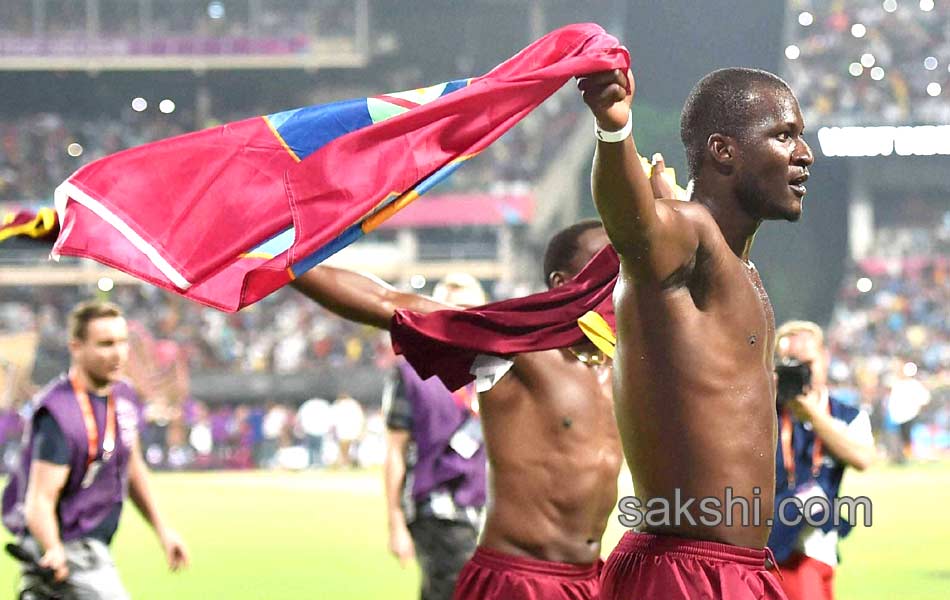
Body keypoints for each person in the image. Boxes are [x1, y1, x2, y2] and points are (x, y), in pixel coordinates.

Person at [291, 220, 629, 600]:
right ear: (562, 284)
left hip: (590, 581)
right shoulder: (517, 344)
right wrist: (276, 260)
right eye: (606, 264)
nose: (621, 272)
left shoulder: (626, 362)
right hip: (519, 581)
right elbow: (387, 304)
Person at [576, 64, 814, 598]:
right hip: (683, 573)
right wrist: (614, 129)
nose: (805, 155)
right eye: (784, 135)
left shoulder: (736, 265)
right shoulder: (686, 236)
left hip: (737, 568)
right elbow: (632, 221)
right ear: (723, 151)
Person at [2, 300, 189, 599]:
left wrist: (163, 530)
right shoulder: (59, 412)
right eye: (105, 344)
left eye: (122, 342)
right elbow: (40, 498)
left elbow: (132, 466)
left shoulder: (124, 397)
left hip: (82, 546)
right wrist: (53, 548)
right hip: (68, 547)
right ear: (76, 347)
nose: (118, 353)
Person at [382, 274, 488, 600]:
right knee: (457, 589)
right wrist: (395, 522)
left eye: (469, 311)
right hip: (435, 506)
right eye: (451, 311)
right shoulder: (410, 373)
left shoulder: (492, 371)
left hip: (485, 509)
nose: (461, 320)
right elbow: (395, 452)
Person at [767, 321, 875, 600]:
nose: (799, 371)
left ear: (824, 358)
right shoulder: (763, 414)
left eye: (806, 362)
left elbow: (863, 458)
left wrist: (813, 416)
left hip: (821, 545)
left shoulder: (845, 414)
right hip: (774, 548)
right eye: (790, 363)